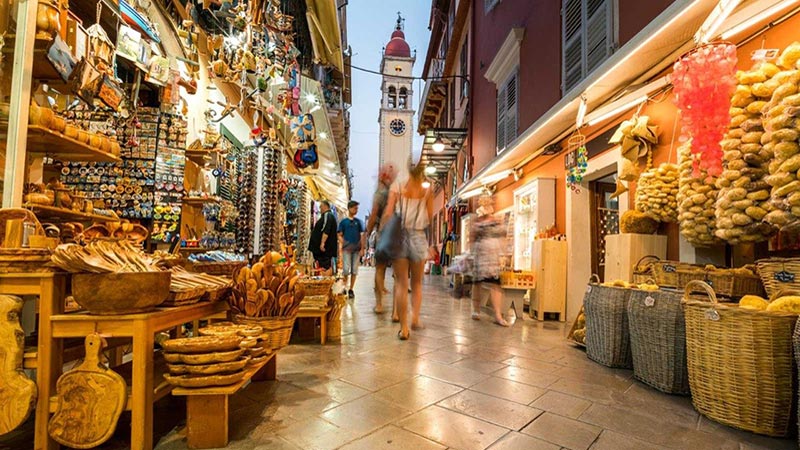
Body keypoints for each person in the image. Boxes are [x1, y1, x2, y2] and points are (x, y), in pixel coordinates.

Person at [381, 163, 434, 340]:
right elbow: (431, 217)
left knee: (401, 283)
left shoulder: (397, 186)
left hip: (400, 236)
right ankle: (415, 319)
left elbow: (388, 213)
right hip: (418, 237)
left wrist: (384, 233)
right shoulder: (427, 189)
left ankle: (404, 328)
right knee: (417, 283)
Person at [470, 195, 510, 327]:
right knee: (478, 284)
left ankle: (497, 314)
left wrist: (503, 253)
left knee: (495, 284)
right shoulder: (477, 222)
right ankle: (476, 309)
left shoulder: (496, 221)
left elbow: (502, 237)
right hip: (480, 255)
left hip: (492, 257)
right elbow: (473, 238)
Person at [366, 164, 397, 314]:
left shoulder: (380, 193)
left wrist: (367, 232)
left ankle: (379, 305)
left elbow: (374, 214)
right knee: (398, 273)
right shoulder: (395, 191)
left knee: (380, 269)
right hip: (397, 235)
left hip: (383, 234)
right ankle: (397, 311)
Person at [338, 200, 365, 299]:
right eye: (355, 208)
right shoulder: (343, 222)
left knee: (354, 270)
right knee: (345, 269)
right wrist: (343, 242)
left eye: (357, 208)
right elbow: (339, 234)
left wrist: (362, 248)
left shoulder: (359, 222)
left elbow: (362, 236)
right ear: (349, 208)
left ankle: (351, 289)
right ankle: (345, 287)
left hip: (356, 250)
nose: (356, 210)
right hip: (346, 249)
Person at [307, 201, 337, 275]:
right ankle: (325, 282)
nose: (320, 209)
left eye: (321, 207)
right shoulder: (328, 216)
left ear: (325, 206)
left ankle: (325, 282)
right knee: (324, 265)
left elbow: (326, 230)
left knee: (324, 266)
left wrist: (322, 243)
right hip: (324, 251)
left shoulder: (328, 215)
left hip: (324, 251)